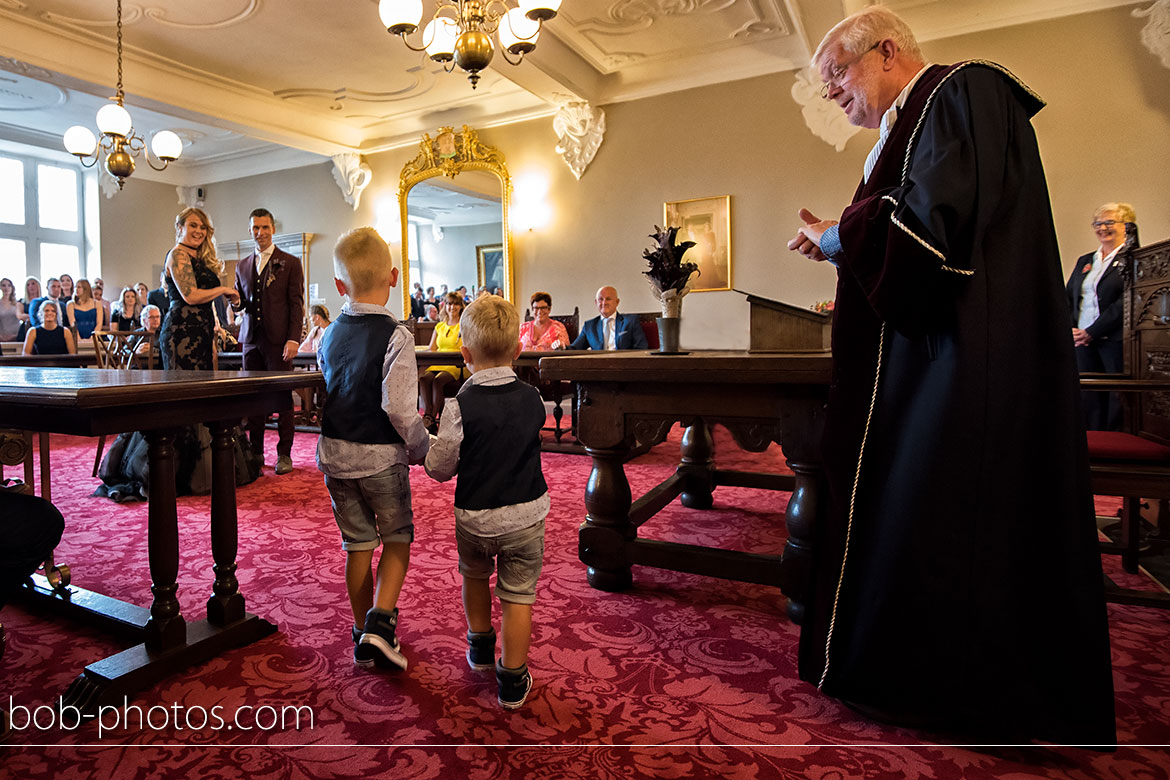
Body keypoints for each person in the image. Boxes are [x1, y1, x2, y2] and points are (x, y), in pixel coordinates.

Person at [785, 6, 1114, 744]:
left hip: (963, 359)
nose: (831, 93)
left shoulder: (962, 91)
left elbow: (934, 229)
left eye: (836, 74)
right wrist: (841, 244)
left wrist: (841, 233)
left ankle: (953, 688)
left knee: (948, 511)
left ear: (888, 51)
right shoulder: (905, 125)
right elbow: (905, 230)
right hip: (925, 352)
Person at [424, 295, 548, 710]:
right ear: (518, 349)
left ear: (464, 353)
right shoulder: (533, 398)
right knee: (518, 595)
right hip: (526, 513)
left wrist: (430, 451)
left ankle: (479, 649)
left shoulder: (459, 404)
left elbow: (441, 468)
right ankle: (512, 679)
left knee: (474, 575)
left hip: (475, 517)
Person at [316, 227, 429, 671]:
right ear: (395, 277)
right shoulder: (397, 336)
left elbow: (331, 386)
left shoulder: (328, 335)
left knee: (357, 545)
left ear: (340, 287)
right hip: (381, 456)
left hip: (336, 455)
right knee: (397, 538)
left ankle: (363, 629)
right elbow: (399, 408)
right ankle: (380, 626)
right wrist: (420, 448)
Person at [232, 208, 305, 476]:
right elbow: (242, 306)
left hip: (278, 341)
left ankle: (284, 453)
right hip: (251, 340)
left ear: (273, 228)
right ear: (250, 229)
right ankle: (255, 452)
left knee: (282, 398)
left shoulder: (290, 262)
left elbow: (296, 305)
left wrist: (293, 338)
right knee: (254, 399)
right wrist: (236, 301)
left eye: (264, 227)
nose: (260, 233)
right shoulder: (241, 266)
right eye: (255, 228)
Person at [1067, 203, 1134, 431]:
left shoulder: (1134, 259)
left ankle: (1115, 446)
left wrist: (1092, 331)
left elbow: (1125, 302)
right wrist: (1073, 330)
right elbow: (1069, 297)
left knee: (1116, 397)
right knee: (1088, 395)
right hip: (1081, 341)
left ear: (1126, 226)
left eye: (1109, 222)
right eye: (1097, 223)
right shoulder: (1086, 261)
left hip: (1113, 340)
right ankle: (1092, 444)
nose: (1102, 228)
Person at [161, 208, 239, 370]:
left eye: (203, 227)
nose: (199, 231)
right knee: (186, 391)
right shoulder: (178, 254)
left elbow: (205, 301)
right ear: (180, 227)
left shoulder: (202, 258)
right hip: (181, 332)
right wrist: (223, 290)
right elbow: (190, 296)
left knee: (204, 389)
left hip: (203, 330)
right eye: (193, 225)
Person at [418, 292, 466, 433]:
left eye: (456, 304)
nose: (452, 307)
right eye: (450, 304)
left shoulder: (463, 326)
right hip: (438, 362)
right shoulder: (439, 326)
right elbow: (431, 349)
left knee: (438, 381)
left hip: (455, 365)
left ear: (460, 306)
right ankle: (428, 414)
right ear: (445, 306)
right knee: (424, 378)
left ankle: (431, 417)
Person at [570, 286, 649, 350]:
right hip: (598, 366)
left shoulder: (630, 321)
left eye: (608, 299)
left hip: (625, 366)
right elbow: (575, 348)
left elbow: (641, 347)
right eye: (601, 299)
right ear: (596, 302)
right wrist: (562, 347)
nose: (604, 303)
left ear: (617, 302)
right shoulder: (589, 326)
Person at [0, 278, 24, 342]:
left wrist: (15, 336)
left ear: (12, 287)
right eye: (3, 285)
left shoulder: (18, 303)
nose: (6, 288)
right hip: (1, 338)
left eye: (9, 285)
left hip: (16, 336)